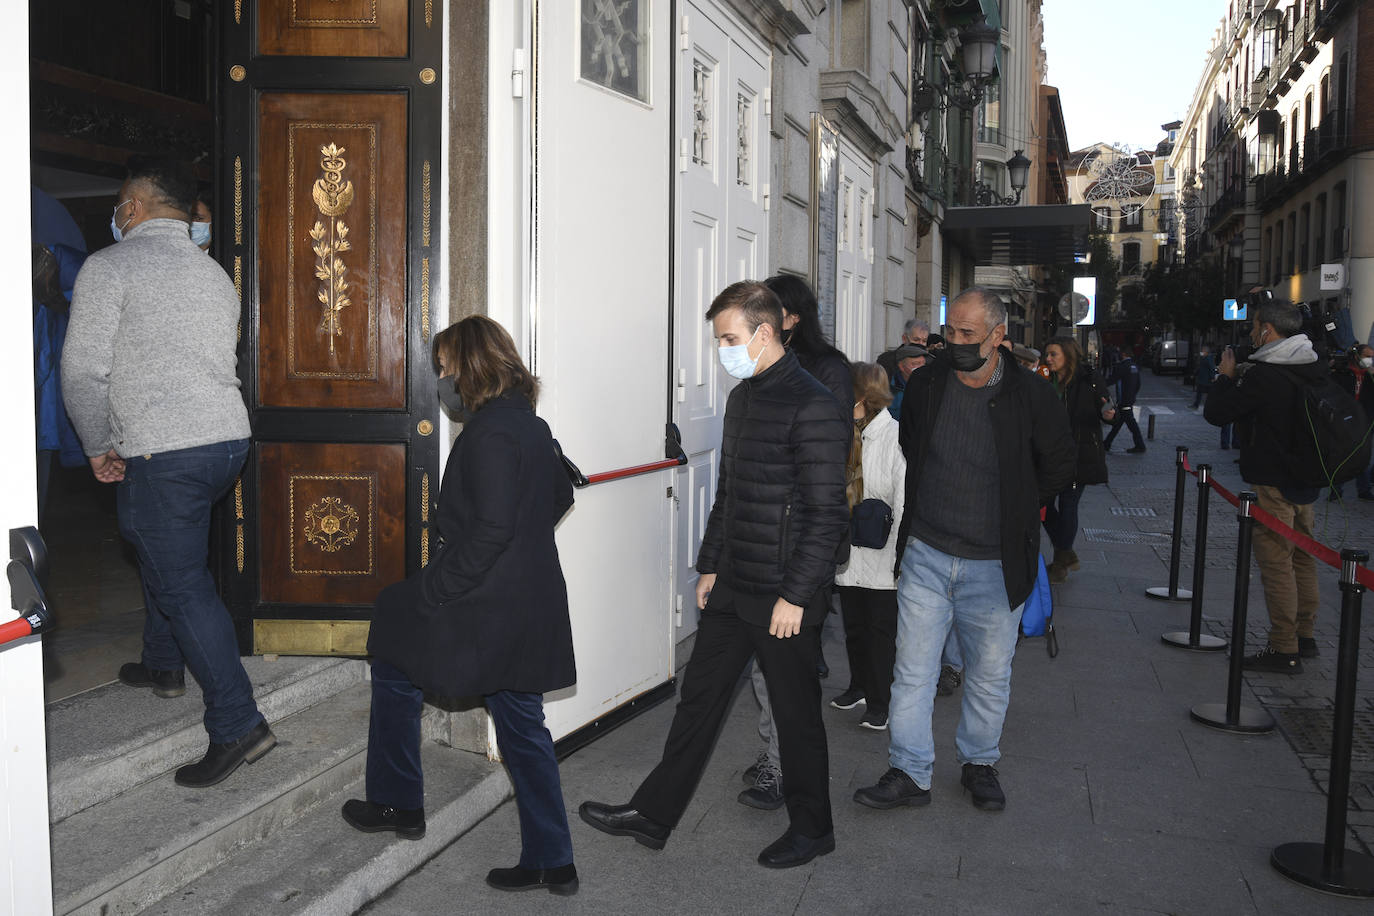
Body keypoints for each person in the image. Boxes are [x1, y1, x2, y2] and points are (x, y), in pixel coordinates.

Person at [580, 281, 849, 869]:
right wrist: (710, 566)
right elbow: (730, 492)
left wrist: (797, 595)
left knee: (796, 714)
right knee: (698, 701)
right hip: (735, 585)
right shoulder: (745, 397)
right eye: (719, 339)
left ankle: (812, 828)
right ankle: (653, 815)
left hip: (785, 597)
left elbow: (827, 513)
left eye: (729, 338)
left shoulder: (813, 403)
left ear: (764, 332)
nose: (722, 349)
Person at [348, 315, 580, 895]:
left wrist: (435, 589)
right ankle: (555, 860)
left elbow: (491, 530)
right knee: (521, 722)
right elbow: (556, 496)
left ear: (471, 366)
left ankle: (398, 803)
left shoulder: (493, 433)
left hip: (485, 603)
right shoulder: (529, 423)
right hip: (527, 598)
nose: (444, 379)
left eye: (447, 368)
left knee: (393, 634)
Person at [62, 156, 269, 787]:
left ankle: (238, 724)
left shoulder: (109, 266)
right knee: (170, 552)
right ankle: (162, 662)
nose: (117, 213)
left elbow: (81, 370)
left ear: (136, 206)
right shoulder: (213, 276)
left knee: (180, 581)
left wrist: (97, 444)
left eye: (121, 203)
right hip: (226, 443)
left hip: (165, 449)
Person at [853, 286, 1074, 813]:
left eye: (967, 333)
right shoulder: (928, 383)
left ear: (998, 336)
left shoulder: (1031, 394)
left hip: (996, 565)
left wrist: (1018, 508)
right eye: (950, 330)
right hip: (928, 553)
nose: (954, 341)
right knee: (912, 671)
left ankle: (979, 762)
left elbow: (1061, 464)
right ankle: (909, 771)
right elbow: (914, 448)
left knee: (989, 673)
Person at [734, 274, 850, 810]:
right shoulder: (755, 382)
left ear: (788, 319)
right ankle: (776, 759)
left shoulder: (824, 375)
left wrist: (799, 587)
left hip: (800, 557)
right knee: (767, 672)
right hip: (760, 553)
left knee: (788, 677)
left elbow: (823, 486)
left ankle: (784, 772)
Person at [1204, 301, 1324, 673]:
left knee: (1277, 563)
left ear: (1268, 330)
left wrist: (1225, 376)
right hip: (1308, 477)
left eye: (1255, 327)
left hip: (1274, 481)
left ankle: (1283, 647)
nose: (1252, 333)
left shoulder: (1264, 374)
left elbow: (1217, 414)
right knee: (1303, 557)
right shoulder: (1314, 364)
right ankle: (1305, 636)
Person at [831, 362, 906, 731]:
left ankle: (880, 701)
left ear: (863, 395)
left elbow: (904, 501)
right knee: (854, 626)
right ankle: (858, 686)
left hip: (882, 550)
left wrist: (897, 556)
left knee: (879, 632)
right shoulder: (844, 434)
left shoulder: (895, 437)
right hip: (848, 550)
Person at [1042, 337, 1114, 584]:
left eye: (1053, 354)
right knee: (1042, 504)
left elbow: (1108, 409)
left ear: (1068, 356)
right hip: (1049, 454)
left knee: (1069, 504)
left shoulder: (1089, 379)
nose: (1048, 359)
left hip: (1079, 454)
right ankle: (1066, 553)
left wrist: (1109, 414)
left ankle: (1060, 562)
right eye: (1047, 354)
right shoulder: (1045, 378)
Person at [1327, 344, 1374, 501]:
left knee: (1364, 456)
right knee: (1340, 455)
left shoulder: (1369, 376)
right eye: (1367, 356)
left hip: (1365, 421)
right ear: (1356, 356)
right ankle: (1335, 491)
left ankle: (1364, 489)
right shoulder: (1342, 373)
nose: (1370, 360)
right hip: (1343, 420)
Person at [1103, 348, 1146, 454]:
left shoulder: (1121, 367)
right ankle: (1106, 443)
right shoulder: (1134, 366)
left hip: (1123, 400)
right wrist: (1132, 396)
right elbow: (1138, 384)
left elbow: (1111, 380)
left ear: (1123, 354)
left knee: (1131, 424)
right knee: (1118, 423)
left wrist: (1099, 385)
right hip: (1129, 399)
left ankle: (1140, 445)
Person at [887, 343, 929, 420]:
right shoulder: (888, 390)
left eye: (924, 364)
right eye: (916, 364)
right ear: (901, 367)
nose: (921, 368)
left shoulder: (932, 386)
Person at [1193, 345, 1216, 409]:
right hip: (1202, 379)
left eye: (1203, 351)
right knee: (1199, 392)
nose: (1201, 352)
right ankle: (1196, 405)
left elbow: (1212, 368)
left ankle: (1208, 406)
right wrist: (1195, 374)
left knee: (1207, 393)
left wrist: (1212, 377)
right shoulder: (1204, 358)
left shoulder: (1209, 358)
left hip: (1206, 379)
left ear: (1206, 351)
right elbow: (1200, 368)